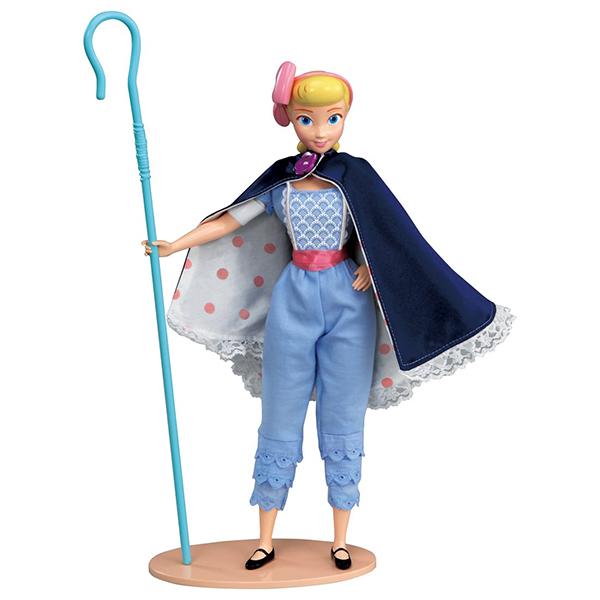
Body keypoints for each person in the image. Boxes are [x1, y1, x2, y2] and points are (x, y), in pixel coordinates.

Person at [142, 62, 515, 571]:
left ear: (345, 118)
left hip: (348, 301)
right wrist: (175, 244)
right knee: (280, 410)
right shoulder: (282, 182)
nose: (320, 130)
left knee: (343, 413)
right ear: (290, 120)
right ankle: (265, 537)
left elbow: (391, 233)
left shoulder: (354, 176)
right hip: (293, 296)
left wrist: (370, 267)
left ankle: (340, 538)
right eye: (307, 119)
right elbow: (232, 218)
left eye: (332, 118)